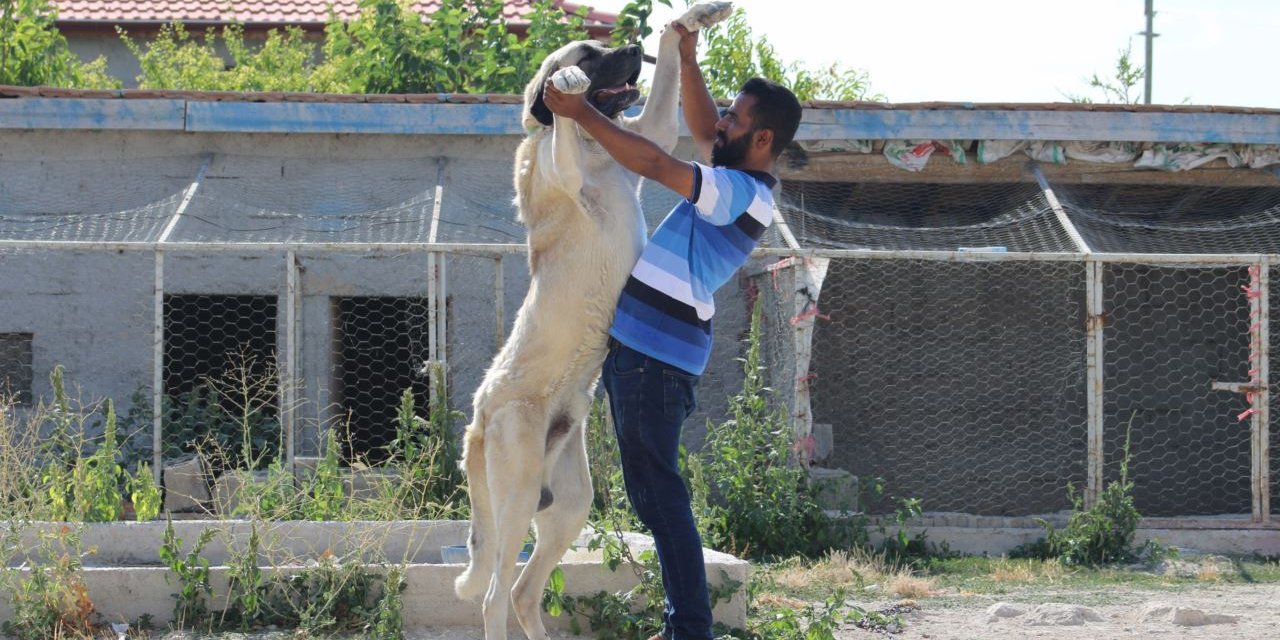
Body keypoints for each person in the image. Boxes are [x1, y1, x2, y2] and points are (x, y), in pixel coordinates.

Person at [543, 20, 802, 640]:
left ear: (762, 138)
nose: (721, 123)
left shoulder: (740, 191)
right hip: (644, 357)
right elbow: (700, 119)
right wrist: (686, 57)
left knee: (660, 498)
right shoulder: (740, 179)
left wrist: (579, 113)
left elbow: (658, 163)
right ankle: (686, 625)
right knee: (656, 495)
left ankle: (690, 628)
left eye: (735, 119)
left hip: (652, 362)